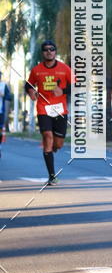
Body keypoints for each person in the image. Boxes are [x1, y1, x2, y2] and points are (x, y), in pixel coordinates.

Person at [25, 40, 73, 185]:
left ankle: (52, 149)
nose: (49, 51)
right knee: (47, 136)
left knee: (58, 144)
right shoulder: (36, 70)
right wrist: (31, 92)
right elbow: (28, 84)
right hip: (43, 108)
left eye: (52, 49)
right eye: (46, 49)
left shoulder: (65, 69)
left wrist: (63, 91)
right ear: (43, 52)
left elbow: (76, 86)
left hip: (60, 110)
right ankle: (52, 176)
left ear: (55, 52)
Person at [0, 72, 13, 157]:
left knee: (0, 131)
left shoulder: (3, 85)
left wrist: (3, 95)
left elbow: (9, 97)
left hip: (0, 112)